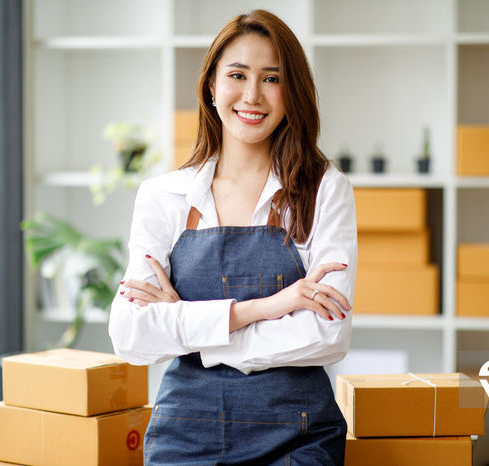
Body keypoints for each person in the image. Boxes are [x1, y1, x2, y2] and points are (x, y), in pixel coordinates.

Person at [108, 9, 357, 465]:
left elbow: (328, 334)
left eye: (271, 78)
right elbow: (129, 333)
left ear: (291, 92)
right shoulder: (164, 197)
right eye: (237, 75)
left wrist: (188, 325)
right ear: (211, 86)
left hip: (298, 435)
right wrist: (265, 309)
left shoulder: (324, 188)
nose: (252, 95)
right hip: (185, 435)